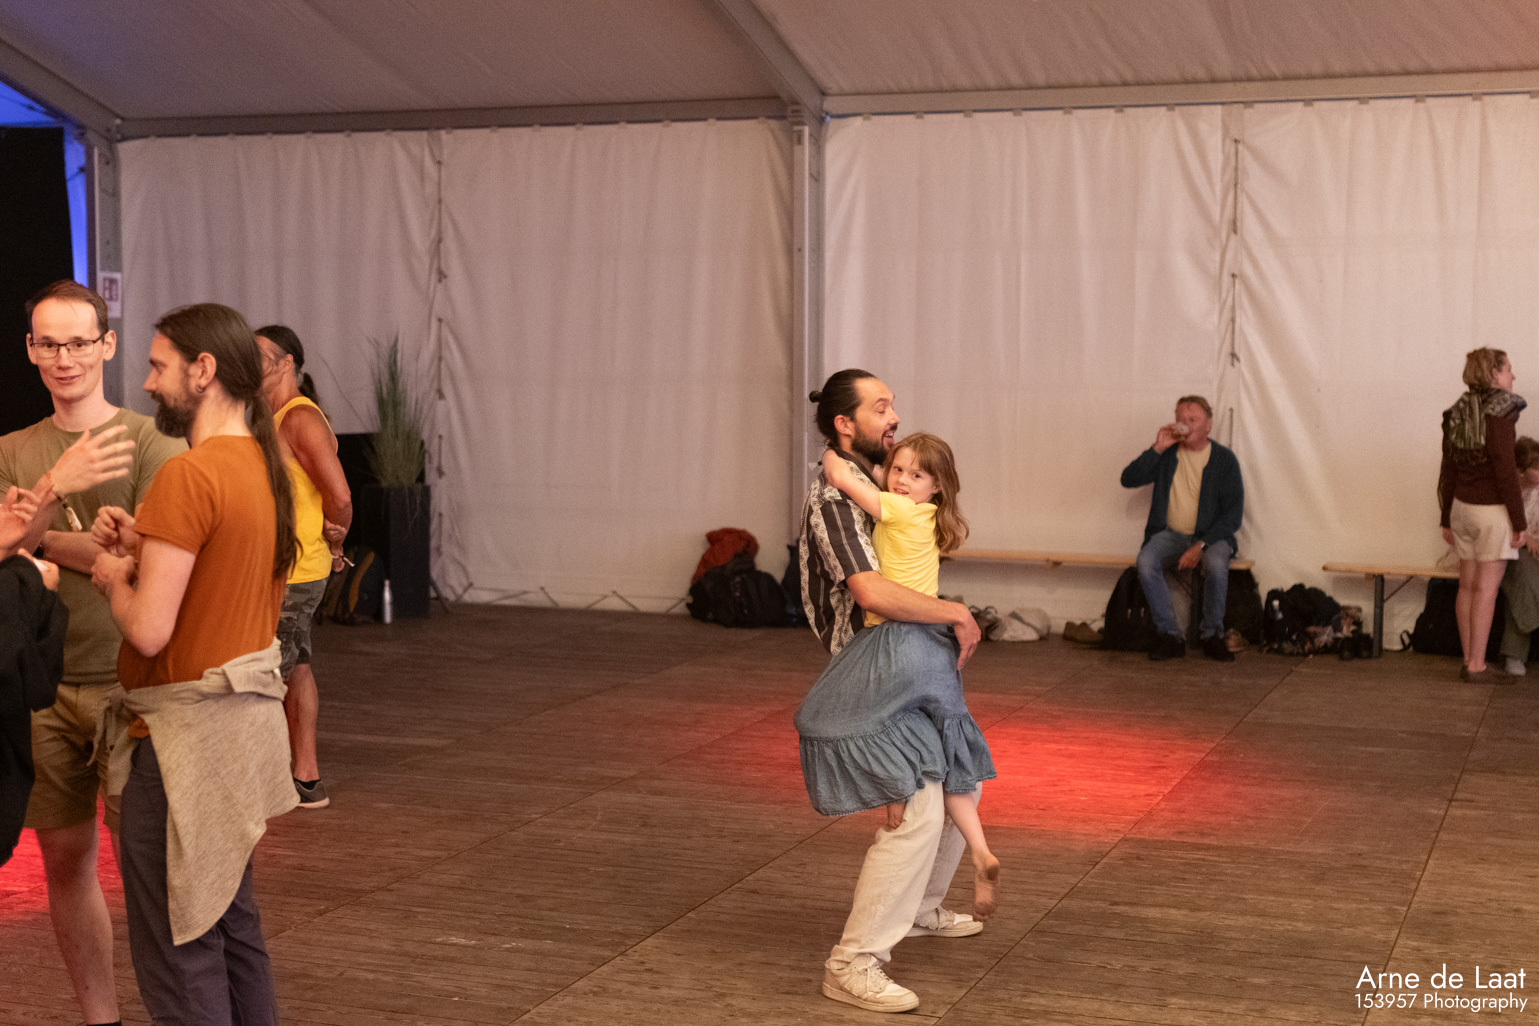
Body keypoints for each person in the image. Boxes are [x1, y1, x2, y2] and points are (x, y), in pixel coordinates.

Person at [90, 303, 298, 1025]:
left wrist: (114, 577)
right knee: (230, 928)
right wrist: (144, 544)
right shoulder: (264, 467)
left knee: (179, 944)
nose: (148, 382)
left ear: (203, 370)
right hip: (239, 740)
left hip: (182, 747)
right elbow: (216, 579)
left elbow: (150, 631)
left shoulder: (191, 474)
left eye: (158, 366)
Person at [0, 279, 185, 1026]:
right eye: (49, 343)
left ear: (106, 344)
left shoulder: (152, 442)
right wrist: (58, 493)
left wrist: (40, 535)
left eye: (78, 342)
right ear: (30, 350)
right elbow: (4, 544)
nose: (64, 358)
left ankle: (180, 1010)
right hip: (39, 686)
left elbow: (155, 558)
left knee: (149, 867)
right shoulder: (14, 450)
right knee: (65, 864)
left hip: (129, 681)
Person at [793, 368, 984, 1015]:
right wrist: (955, 612)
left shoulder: (875, 479)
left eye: (893, 405)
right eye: (880, 408)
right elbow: (870, 591)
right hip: (871, 669)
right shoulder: (835, 497)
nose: (893, 416)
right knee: (919, 811)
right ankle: (852, 963)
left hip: (904, 660)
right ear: (845, 424)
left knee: (960, 777)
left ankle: (921, 907)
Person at [818, 432, 1000, 919]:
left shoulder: (896, 510)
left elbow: (841, 477)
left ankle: (895, 796)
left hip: (898, 639)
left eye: (915, 475)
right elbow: (880, 477)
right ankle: (980, 849)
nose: (900, 480)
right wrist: (886, 471)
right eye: (897, 469)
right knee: (949, 748)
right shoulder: (928, 516)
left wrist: (833, 448)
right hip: (935, 645)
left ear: (936, 485)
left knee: (870, 721)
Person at [256, 325, 352, 809]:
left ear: (287, 362)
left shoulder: (299, 417)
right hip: (285, 568)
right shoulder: (271, 417)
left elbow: (341, 497)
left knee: (265, 676)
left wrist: (337, 542)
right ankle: (306, 777)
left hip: (295, 572)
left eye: (260, 356)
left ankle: (269, 782)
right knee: (298, 667)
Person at [1120, 395, 1245, 662]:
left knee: (1215, 564)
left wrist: (1201, 545)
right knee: (1146, 561)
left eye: (1192, 419)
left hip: (1212, 537)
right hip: (1171, 534)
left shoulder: (1224, 460)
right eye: (1180, 419)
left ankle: (1212, 635)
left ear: (1208, 425)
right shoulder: (1166, 455)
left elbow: (1232, 516)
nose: (1184, 424)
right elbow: (1128, 479)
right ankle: (1170, 636)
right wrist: (1156, 448)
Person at [1440, 348, 1527, 682]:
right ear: (1493, 374)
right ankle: (1477, 666)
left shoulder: (1458, 410)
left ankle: (1469, 660)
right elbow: (1505, 469)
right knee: (1485, 592)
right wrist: (1519, 522)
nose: (1512, 376)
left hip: (1461, 509)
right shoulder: (1501, 412)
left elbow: (1448, 468)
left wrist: (1446, 516)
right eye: (1507, 369)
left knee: (1467, 587)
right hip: (1490, 513)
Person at [1498, 436, 1539, 678]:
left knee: (1527, 579)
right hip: (1505, 552)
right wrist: (1526, 538)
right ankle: (1514, 654)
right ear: (1521, 470)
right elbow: (1498, 528)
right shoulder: (1506, 489)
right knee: (1525, 581)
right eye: (1536, 468)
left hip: (1532, 554)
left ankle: (1514, 654)